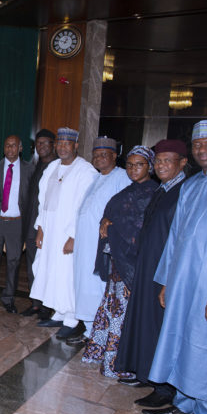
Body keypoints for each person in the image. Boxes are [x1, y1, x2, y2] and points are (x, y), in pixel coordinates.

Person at [143, 120, 207, 414]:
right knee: (181, 344)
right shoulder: (193, 185)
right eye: (198, 144)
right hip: (184, 286)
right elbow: (175, 240)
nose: (203, 149)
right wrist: (167, 282)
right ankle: (185, 404)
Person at [114, 140, 188, 407]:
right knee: (145, 323)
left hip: (166, 271)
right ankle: (146, 374)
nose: (161, 165)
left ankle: (164, 389)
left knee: (160, 327)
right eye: (159, 161)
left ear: (182, 163)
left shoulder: (184, 191)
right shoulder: (163, 190)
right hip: (150, 267)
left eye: (168, 161)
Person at [81, 146, 158, 376]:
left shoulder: (152, 193)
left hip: (133, 266)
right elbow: (111, 212)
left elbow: (140, 229)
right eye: (131, 165)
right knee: (111, 310)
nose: (134, 169)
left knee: (122, 315)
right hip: (118, 262)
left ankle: (118, 364)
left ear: (149, 167)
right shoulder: (129, 190)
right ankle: (100, 353)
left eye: (140, 165)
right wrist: (105, 219)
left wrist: (111, 226)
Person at [31, 127, 97, 336]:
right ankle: (58, 313)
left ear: (75, 146)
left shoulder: (85, 171)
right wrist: (40, 228)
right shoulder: (52, 167)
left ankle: (71, 318)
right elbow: (43, 202)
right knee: (50, 271)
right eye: (59, 143)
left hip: (68, 234)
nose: (61, 147)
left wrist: (73, 236)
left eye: (66, 144)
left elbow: (84, 208)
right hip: (49, 231)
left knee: (67, 274)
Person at [66, 137, 131, 342]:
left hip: (101, 246)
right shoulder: (96, 178)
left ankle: (98, 331)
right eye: (95, 155)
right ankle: (89, 329)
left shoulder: (122, 177)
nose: (99, 159)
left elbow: (127, 211)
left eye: (104, 155)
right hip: (85, 245)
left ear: (114, 156)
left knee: (96, 287)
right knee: (83, 286)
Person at [0, 135, 33, 313]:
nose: (10, 149)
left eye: (14, 146)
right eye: (7, 146)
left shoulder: (29, 169)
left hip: (17, 223)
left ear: (20, 148)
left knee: (13, 261)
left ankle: (9, 298)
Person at [21, 129, 57, 318]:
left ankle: (47, 305)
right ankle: (35, 303)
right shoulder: (35, 167)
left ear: (54, 145)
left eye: (45, 143)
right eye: (38, 143)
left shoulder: (59, 167)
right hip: (31, 226)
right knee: (32, 266)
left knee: (47, 267)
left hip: (49, 229)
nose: (41, 146)